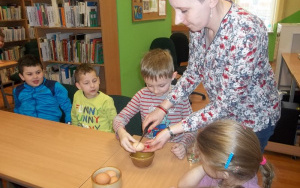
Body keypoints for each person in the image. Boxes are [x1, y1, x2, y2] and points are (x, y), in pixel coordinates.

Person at [143, 0, 281, 152]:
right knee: (222, 166)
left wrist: (171, 130)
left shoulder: (246, 31)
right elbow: (194, 71)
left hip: (253, 121)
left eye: (183, 10)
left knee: (237, 171)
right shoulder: (199, 27)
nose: (177, 20)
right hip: (223, 116)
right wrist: (162, 108)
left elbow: (224, 104)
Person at [113, 48, 196, 159]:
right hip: (149, 149)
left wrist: (183, 145)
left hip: (173, 149)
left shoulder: (180, 96)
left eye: (161, 85)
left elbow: (193, 128)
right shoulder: (141, 95)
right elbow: (119, 118)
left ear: (173, 76)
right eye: (149, 85)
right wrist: (121, 133)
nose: (156, 91)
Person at [177, 120, 274, 188]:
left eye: (202, 160)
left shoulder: (220, 173)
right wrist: (205, 167)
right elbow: (183, 185)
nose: (201, 162)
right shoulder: (225, 174)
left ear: (224, 173)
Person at [13, 54, 72, 123]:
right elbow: (17, 108)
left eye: (38, 72)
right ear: (22, 76)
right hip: (27, 125)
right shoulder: (17, 90)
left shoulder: (55, 86)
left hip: (51, 125)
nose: (35, 77)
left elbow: (68, 107)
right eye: (29, 74)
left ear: (43, 71)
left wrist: (69, 122)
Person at [71, 63, 116, 132]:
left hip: (102, 136)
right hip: (83, 134)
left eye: (94, 81)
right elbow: (74, 115)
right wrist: (75, 130)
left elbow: (114, 123)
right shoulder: (77, 95)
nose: (92, 85)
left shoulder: (106, 100)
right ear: (79, 86)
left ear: (99, 80)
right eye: (86, 83)